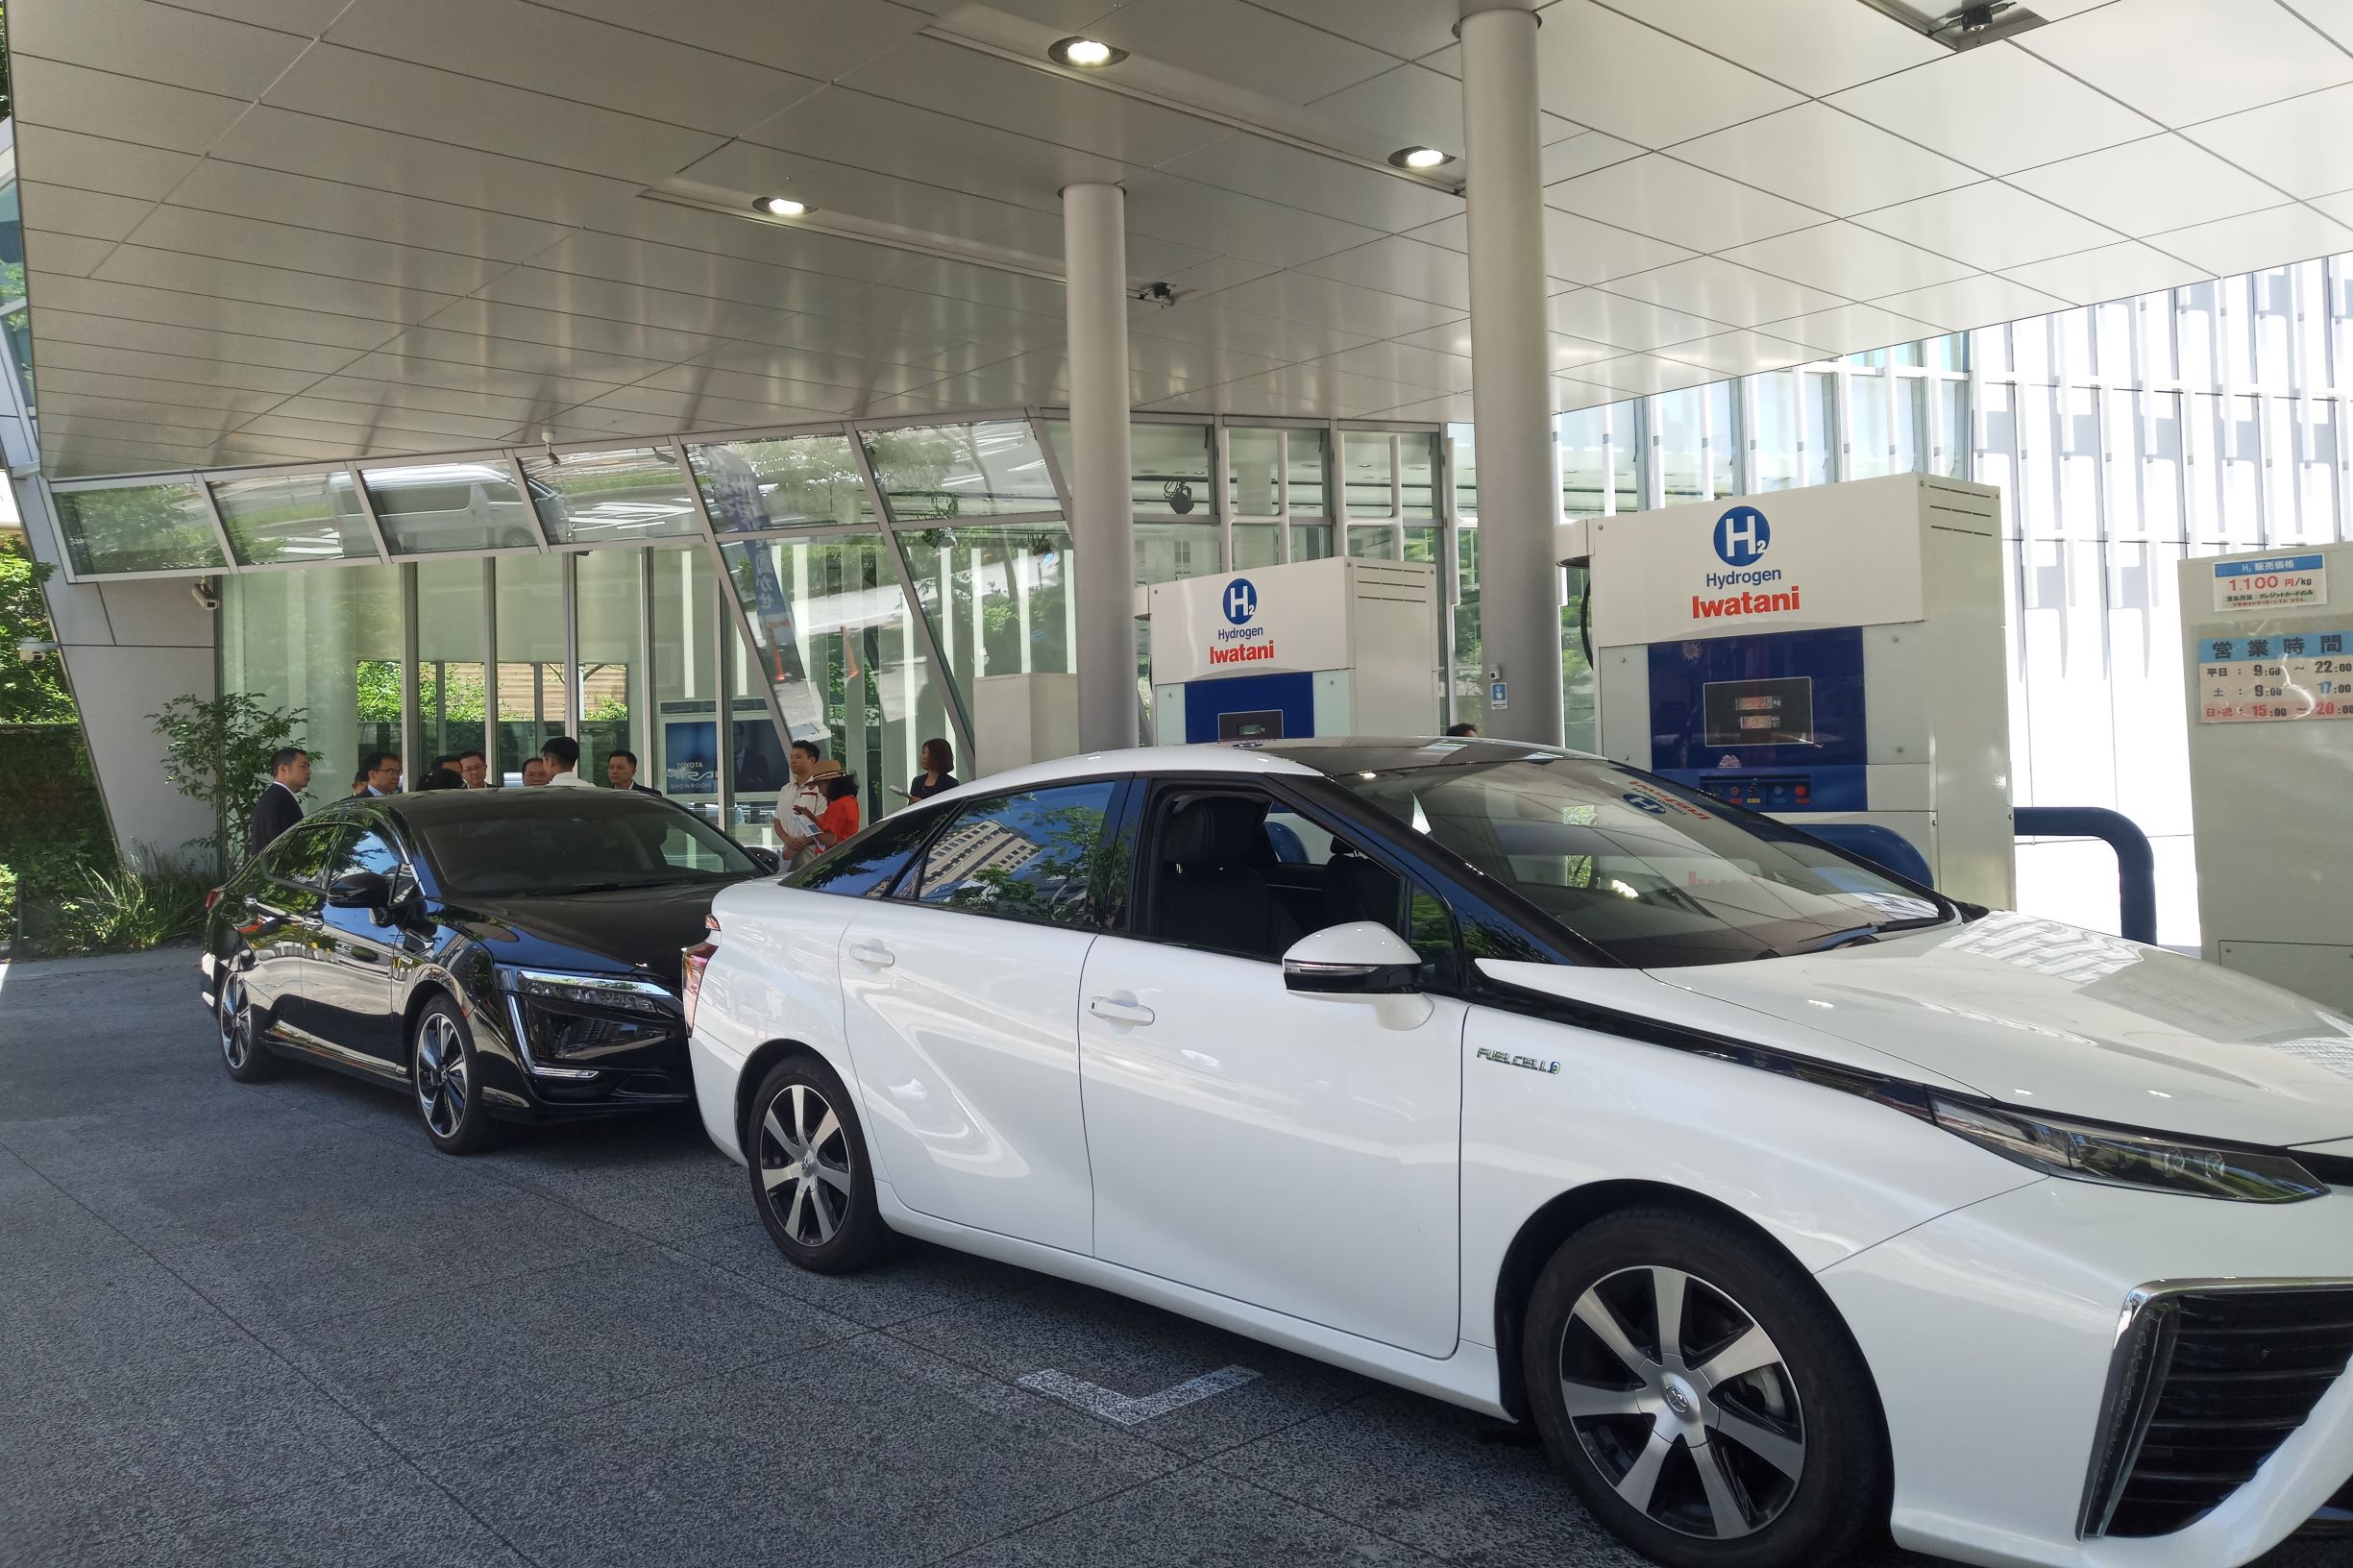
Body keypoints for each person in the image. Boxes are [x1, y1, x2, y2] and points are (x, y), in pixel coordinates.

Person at [249, 747, 309, 856]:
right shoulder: (278, 800)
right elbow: (283, 847)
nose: (308, 771)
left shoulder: (276, 797)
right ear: (283, 769)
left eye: (308, 767)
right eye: (303, 766)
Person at [777, 740, 828, 868]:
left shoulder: (819, 788)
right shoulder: (786, 789)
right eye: (791, 757)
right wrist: (788, 841)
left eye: (798, 757)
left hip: (810, 849)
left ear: (812, 760)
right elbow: (777, 821)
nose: (793, 761)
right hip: (787, 849)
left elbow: (820, 819)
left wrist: (799, 844)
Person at [797, 769, 861, 853]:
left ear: (830, 782)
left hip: (834, 855)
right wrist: (811, 818)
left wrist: (807, 824)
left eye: (819, 786)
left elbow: (829, 840)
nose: (819, 791)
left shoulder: (838, 805)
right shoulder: (850, 801)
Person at [907, 737, 958, 801]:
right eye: (923, 752)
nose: (923, 757)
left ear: (937, 757)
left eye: (927, 753)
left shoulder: (951, 784)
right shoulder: (917, 781)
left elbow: (951, 806)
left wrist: (923, 803)